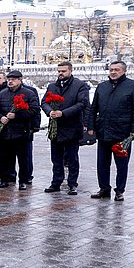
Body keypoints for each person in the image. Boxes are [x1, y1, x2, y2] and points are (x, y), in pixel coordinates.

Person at [87, 61, 134, 202]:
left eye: (117, 70)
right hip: (103, 132)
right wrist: (90, 126)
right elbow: (93, 108)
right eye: (111, 69)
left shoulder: (133, 87)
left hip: (123, 133)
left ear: (124, 71)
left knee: (121, 164)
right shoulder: (102, 87)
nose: (113, 72)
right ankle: (104, 189)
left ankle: (119, 191)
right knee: (102, 163)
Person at [42, 62, 89, 195]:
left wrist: (64, 113)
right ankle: (56, 182)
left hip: (72, 126)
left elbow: (82, 103)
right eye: (59, 71)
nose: (60, 73)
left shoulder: (79, 85)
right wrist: (49, 111)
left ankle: (72, 184)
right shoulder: (52, 86)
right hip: (55, 127)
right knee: (56, 158)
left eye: (63, 71)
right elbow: (44, 102)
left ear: (70, 71)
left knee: (72, 158)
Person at [0, 70, 40, 190]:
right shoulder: (2, 94)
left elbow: (34, 110)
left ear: (20, 80)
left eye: (13, 79)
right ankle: (4, 179)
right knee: (4, 158)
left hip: (21, 131)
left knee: (23, 159)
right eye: (9, 79)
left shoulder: (28, 93)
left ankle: (23, 180)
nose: (10, 82)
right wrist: (0, 117)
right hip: (5, 132)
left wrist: (17, 116)